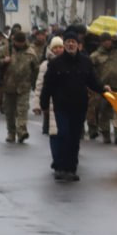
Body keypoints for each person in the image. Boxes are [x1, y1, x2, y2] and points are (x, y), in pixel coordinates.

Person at [37, 29, 108, 182]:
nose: (70, 44)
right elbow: (48, 84)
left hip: (79, 106)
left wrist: (103, 90)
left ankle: (71, 168)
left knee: (75, 138)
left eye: (73, 42)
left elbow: (92, 81)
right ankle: (60, 167)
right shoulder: (56, 63)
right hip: (61, 106)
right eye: (68, 42)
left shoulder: (85, 62)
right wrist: (43, 103)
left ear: (78, 45)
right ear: (64, 44)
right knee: (63, 135)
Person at [0, 31, 40, 144]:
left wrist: (35, 83)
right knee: (10, 112)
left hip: (24, 86)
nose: (20, 45)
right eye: (18, 42)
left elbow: (36, 69)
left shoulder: (30, 53)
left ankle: (21, 131)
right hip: (8, 85)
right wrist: (3, 61)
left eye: (22, 42)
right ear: (14, 41)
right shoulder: (5, 50)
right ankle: (11, 133)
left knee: (22, 110)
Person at [89, 33, 117, 143]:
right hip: (103, 87)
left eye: (109, 40)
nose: (107, 42)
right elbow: (90, 72)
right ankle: (105, 133)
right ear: (101, 42)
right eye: (105, 41)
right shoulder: (95, 56)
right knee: (104, 112)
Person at [30, 36, 64, 136]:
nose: (58, 50)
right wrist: (37, 104)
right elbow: (39, 85)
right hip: (49, 102)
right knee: (52, 132)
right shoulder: (45, 65)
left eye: (60, 47)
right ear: (51, 49)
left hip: (65, 101)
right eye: (55, 47)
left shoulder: (68, 62)